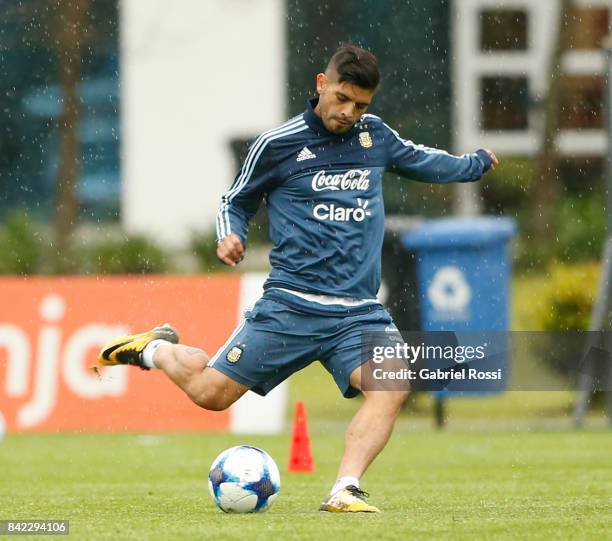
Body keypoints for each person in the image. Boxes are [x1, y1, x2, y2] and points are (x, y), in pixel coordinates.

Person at [99, 44, 498, 513]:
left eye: (361, 105)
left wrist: (474, 164)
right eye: (343, 99)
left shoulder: (376, 139)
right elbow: (236, 200)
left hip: (357, 312)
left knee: (392, 383)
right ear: (321, 85)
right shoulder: (278, 144)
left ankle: (345, 488)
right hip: (290, 306)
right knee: (211, 395)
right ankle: (156, 348)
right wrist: (230, 235)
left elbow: (427, 161)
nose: (349, 113)